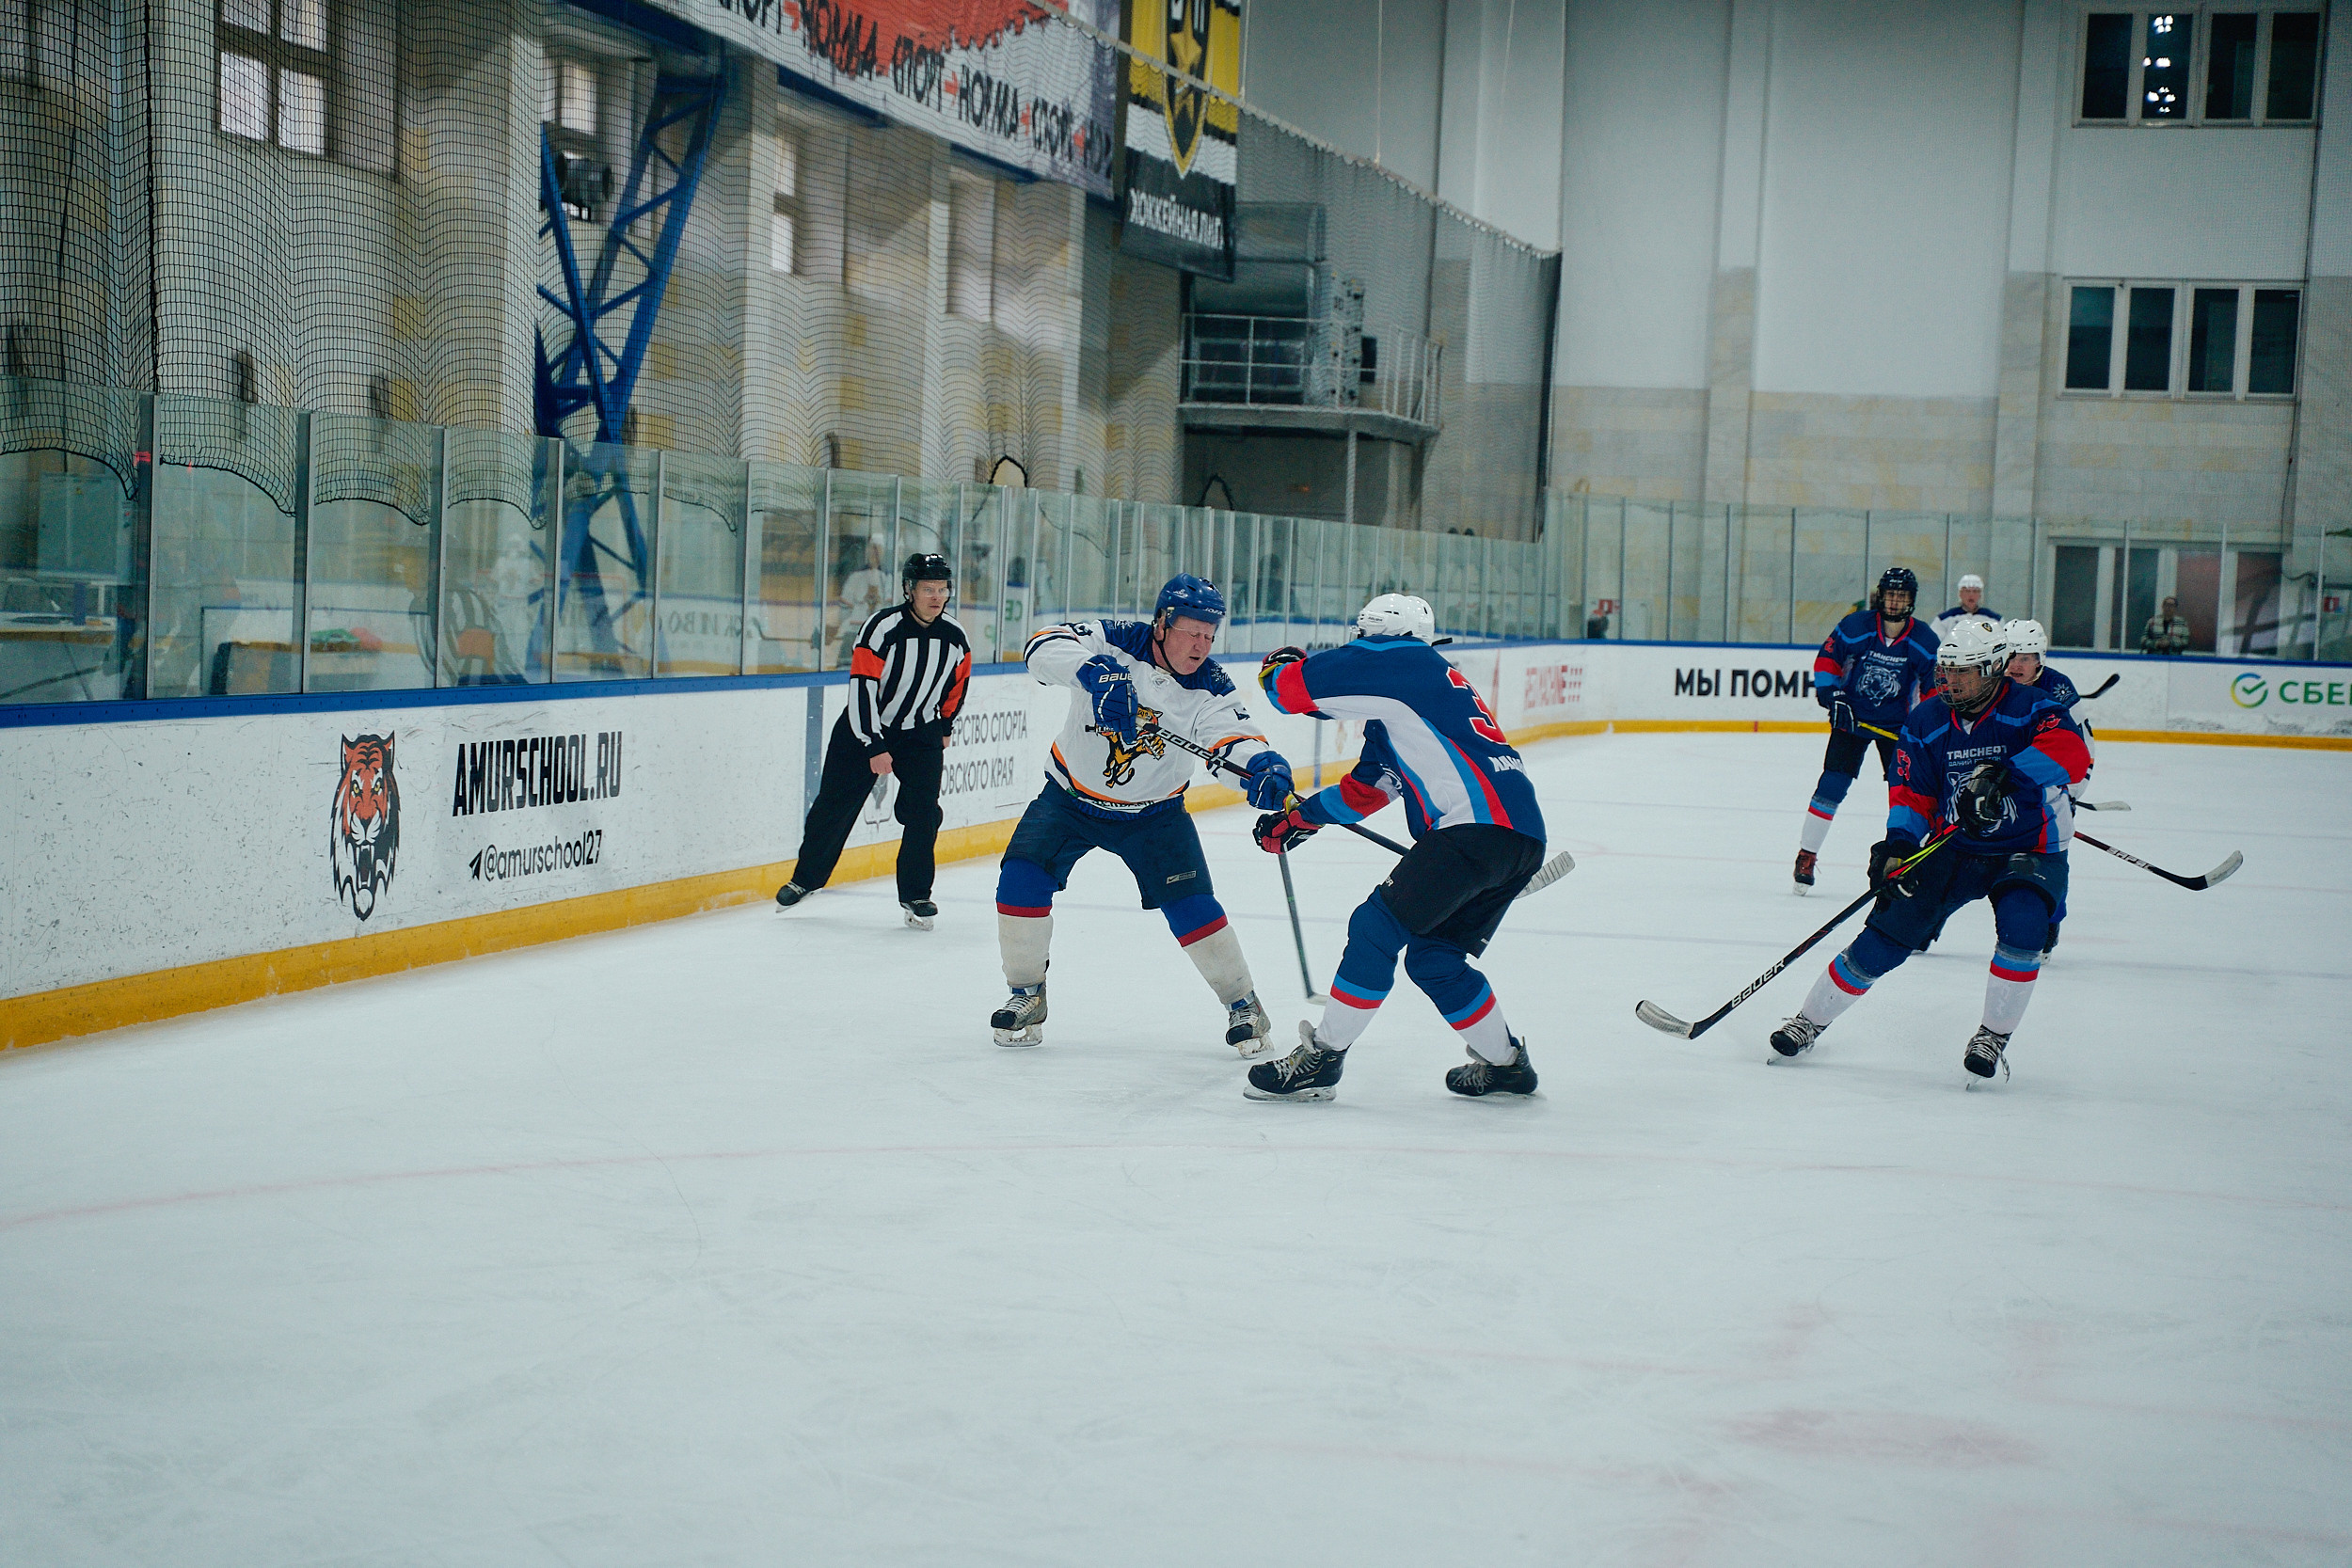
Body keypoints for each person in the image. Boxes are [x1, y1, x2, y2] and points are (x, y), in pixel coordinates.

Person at [1242, 594, 1548, 1101]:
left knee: (1374, 928)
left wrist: (1281, 666)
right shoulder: (1412, 702)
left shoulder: (1397, 659)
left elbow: (1288, 692)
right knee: (1435, 959)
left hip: (1470, 830)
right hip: (1518, 839)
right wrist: (1301, 819)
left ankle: (1322, 1059)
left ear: (1373, 635)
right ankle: (1507, 1065)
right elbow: (1369, 790)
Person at [1768, 617, 2090, 1082]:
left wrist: (2004, 776)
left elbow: (2071, 754)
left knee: (2024, 927)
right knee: (1886, 934)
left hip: (2029, 846)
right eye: (1947, 669)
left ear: (1996, 667)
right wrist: (1898, 844)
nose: (1951, 680)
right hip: (1954, 845)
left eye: (1964, 671)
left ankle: (1992, 1037)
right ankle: (1808, 1021)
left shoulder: (2034, 707)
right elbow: (1912, 794)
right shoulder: (1925, 719)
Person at [989, 575, 1295, 1053]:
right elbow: (1041, 646)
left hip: (1155, 814)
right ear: (1162, 623)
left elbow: (1232, 741)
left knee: (1192, 906)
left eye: (1210, 634)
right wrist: (1093, 671)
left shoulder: (1210, 686)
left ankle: (1243, 1003)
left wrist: (1259, 768)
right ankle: (1026, 993)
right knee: (1020, 880)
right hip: (1069, 799)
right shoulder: (1113, 640)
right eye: (1192, 631)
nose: (1201, 644)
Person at [777, 553, 972, 928]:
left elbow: (958, 685)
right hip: (863, 729)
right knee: (834, 805)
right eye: (928, 589)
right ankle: (805, 879)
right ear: (909, 591)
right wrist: (874, 745)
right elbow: (862, 687)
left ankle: (916, 894)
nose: (936, 596)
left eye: (942, 589)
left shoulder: (955, 636)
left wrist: (945, 725)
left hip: (920, 732)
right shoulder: (882, 627)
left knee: (922, 814)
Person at [1794, 566, 1940, 893]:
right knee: (1832, 785)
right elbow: (1827, 660)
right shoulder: (1855, 626)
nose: (1895, 601)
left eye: (1902, 596)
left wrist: (1925, 726)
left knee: (1908, 794)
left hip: (1898, 729)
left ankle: (1905, 858)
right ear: (1880, 596)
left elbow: (1933, 690)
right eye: (1891, 594)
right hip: (1852, 720)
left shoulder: (1924, 639)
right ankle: (1807, 854)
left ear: (1911, 601)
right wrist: (1832, 696)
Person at [2002, 618, 2092, 957]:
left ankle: (2051, 920)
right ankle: (1927, 920)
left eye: (2025, 658)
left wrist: (2073, 789)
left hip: (2048, 785)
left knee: (2052, 854)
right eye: (2011, 656)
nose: (2016, 665)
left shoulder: (2059, 689)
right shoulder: (1994, 683)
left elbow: (2082, 744)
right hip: (2002, 782)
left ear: (2040, 659)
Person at [1933, 573, 2000, 633]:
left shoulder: (1994, 620)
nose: (1971, 595)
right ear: (1960, 594)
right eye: (1967, 591)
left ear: (1980, 594)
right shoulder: (1944, 619)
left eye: (1975, 591)